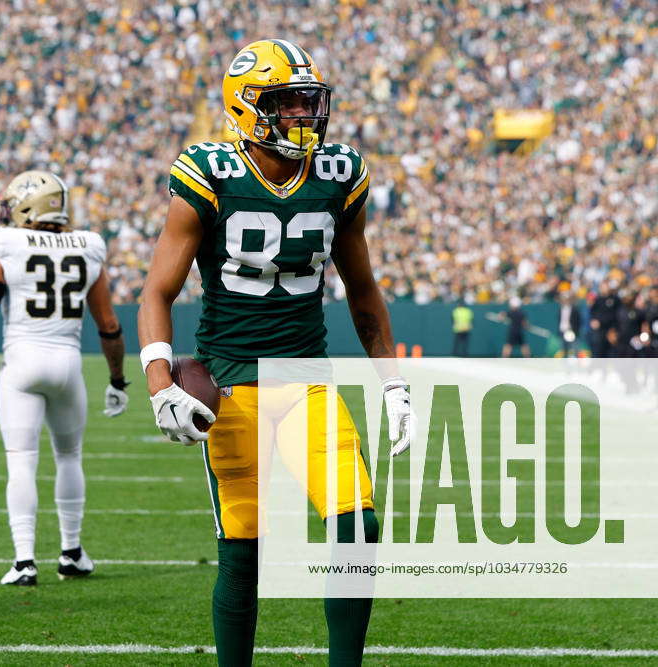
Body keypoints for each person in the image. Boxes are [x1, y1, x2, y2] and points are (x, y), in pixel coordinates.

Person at [137, 40, 414, 667]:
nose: (303, 117)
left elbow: (363, 291)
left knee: (358, 527)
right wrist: (161, 383)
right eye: (287, 105)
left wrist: (393, 384)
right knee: (244, 550)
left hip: (306, 380)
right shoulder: (210, 172)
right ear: (247, 108)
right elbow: (157, 290)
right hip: (231, 385)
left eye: (307, 103)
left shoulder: (339, 174)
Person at [0, 170, 128, 586]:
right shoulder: (89, 245)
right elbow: (109, 324)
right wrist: (118, 379)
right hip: (68, 365)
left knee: (21, 462)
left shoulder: (7, 244)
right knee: (69, 457)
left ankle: (25, 560)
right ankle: (71, 552)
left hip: (22, 364)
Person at [556, 291, 582, 357]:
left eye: (567, 299)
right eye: (564, 299)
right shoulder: (561, 309)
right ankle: (565, 366)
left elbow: (578, 321)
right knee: (564, 350)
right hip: (562, 331)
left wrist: (574, 331)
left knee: (575, 350)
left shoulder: (575, 309)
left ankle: (576, 366)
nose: (565, 301)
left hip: (572, 332)